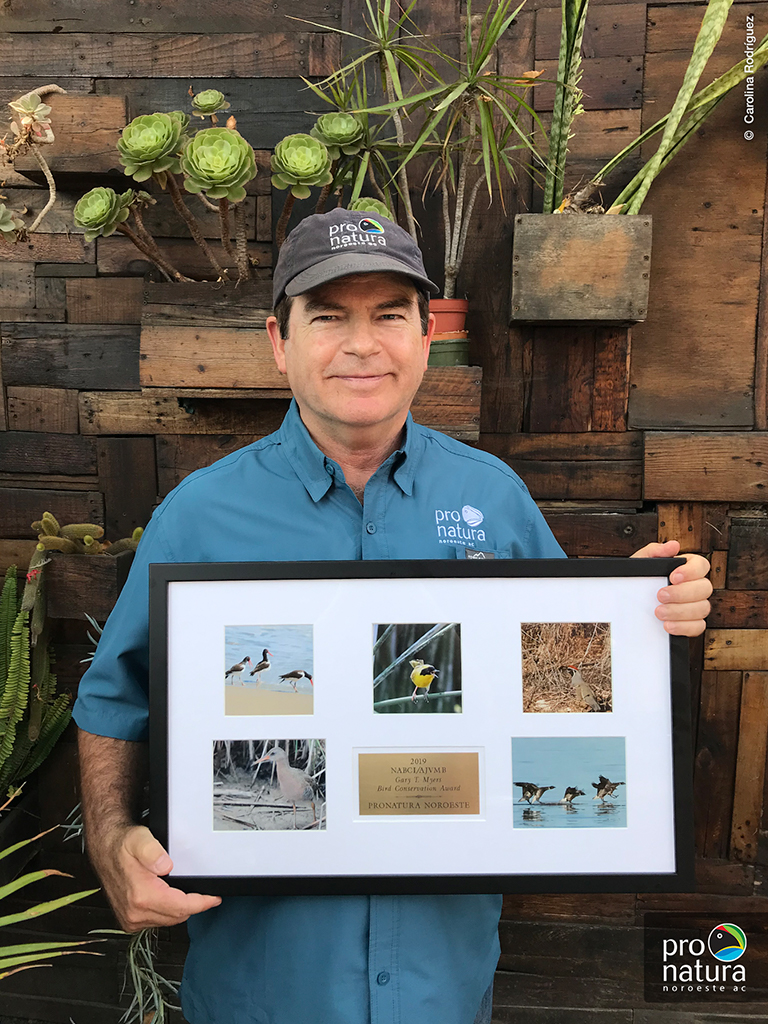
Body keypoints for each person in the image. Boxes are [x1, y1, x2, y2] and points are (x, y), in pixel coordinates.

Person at [74, 207, 712, 1024]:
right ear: (280, 340)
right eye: (329, 316)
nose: (361, 343)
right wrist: (109, 840)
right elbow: (113, 701)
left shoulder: (492, 499)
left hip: (441, 990)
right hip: (263, 993)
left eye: (388, 315)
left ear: (425, 335)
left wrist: (637, 616)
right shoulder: (197, 517)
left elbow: (557, 683)